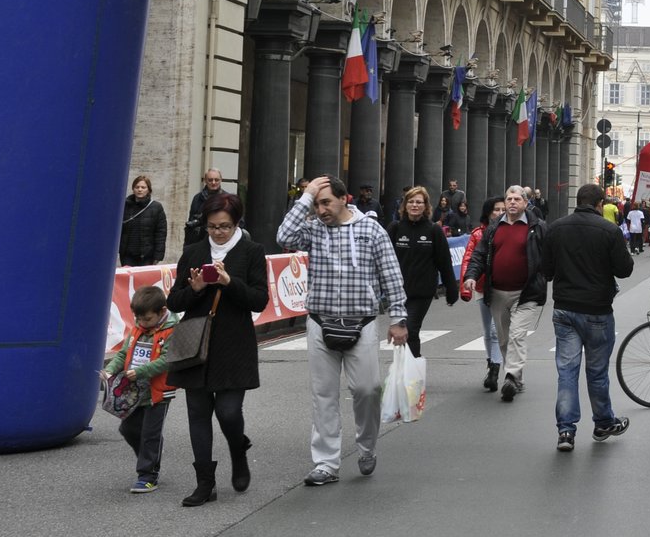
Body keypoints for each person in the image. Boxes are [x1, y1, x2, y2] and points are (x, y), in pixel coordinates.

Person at [277, 175, 409, 486]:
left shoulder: (371, 229)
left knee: (366, 390)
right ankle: (326, 463)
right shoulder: (311, 229)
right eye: (316, 203)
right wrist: (305, 197)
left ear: (343, 199)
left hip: (361, 322)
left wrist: (398, 318)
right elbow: (284, 237)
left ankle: (366, 447)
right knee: (323, 395)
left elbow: (391, 274)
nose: (320, 209)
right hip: (320, 320)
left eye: (325, 202)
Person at [165, 192, 268, 506]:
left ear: (236, 223)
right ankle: (204, 483)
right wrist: (195, 290)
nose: (218, 232)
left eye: (224, 226)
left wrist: (228, 282)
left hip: (234, 342)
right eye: (212, 227)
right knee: (198, 413)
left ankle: (238, 449)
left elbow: (259, 299)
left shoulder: (251, 251)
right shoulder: (194, 252)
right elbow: (173, 301)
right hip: (195, 342)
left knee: (227, 411)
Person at [541, 182, 633, 451]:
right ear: (599, 204)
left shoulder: (556, 228)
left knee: (567, 372)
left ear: (577, 201)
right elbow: (625, 270)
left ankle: (566, 432)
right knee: (597, 372)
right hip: (597, 310)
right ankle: (603, 421)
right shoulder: (609, 230)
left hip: (565, 308)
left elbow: (546, 270)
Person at [462, 185, 547, 402]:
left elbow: (550, 253)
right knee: (503, 338)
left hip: (525, 292)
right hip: (498, 292)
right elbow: (479, 255)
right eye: (509, 198)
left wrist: (546, 276)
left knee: (517, 335)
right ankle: (517, 376)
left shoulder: (537, 227)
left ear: (525, 203)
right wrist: (471, 276)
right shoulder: (493, 228)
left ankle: (510, 376)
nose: (511, 202)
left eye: (516, 199)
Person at [100, 285, 177, 494]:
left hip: (158, 391)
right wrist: (110, 371)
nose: (143, 323)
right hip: (133, 391)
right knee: (128, 429)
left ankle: (148, 474)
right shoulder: (138, 328)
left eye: (148, 320)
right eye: (139, 319)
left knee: (150, 434)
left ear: (162, 312)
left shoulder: (171, 329)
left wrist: (143, 371)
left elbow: (167, 360)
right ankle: (149, 457)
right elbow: (124, 353)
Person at [387, 186, 458, 358]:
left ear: (425, 206)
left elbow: (444, 262)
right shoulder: (395, 228)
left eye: (419, 202)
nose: (414, 205)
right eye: (411, 201)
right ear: (405, 205)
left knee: (410, 328)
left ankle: (412, 377)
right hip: (398, 292)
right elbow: (383, 259)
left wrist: (451, 290)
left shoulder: (433, 230)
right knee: (401, 332)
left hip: (422, 291)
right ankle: (406, 372)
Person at [461, 197, 505, 391]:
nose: (500, 212)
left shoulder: (510, 230)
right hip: (481, 286)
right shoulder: (478, 234)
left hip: (503, 286)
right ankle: (491, 363)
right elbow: (469, 258)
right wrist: (465, 285)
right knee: (488, 330)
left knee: (497, 330)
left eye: (502, 209)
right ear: (488, 212)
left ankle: (496, 369)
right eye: (496, 209)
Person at [119, 174, 167, 268]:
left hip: (146, 256)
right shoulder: (124, 206)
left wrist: (158, 256)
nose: (140, 189)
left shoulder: (156, 207)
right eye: (137, 187)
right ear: (133, 189)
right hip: (127, 255)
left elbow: (161, 233)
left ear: (148, 190)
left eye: (143, 187)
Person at [184, 168, 223, 246]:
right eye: (210, 180)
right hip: (200, 241)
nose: (213, 182)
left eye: (216, 180)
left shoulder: (227, 199)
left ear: (221, 180)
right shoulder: (197, 198)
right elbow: (191, 221)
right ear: (205, 180)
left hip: (220, 241)